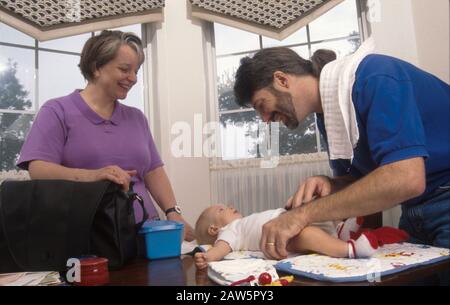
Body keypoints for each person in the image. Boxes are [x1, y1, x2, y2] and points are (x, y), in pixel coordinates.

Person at [233, 40, 450, 260]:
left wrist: (302, 215)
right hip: (415, 212)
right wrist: (333, 184)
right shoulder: (327, 118)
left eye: (262, 106)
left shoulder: (376, 77)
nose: (265, 119)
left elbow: (406, 179)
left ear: (281, 79)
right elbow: (367, 185)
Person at [17, 30, 195, 241]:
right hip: (85, 238)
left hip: (144, 235)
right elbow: (38, 169)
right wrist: (93, 176)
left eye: (136, 71)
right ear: (96, 67)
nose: (133, 78)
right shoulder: (57, 111)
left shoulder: (136, 118)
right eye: (124, 69)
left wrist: (172, 211)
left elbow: (153, 171)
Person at [193, 203, 400, 269]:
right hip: (282, 239)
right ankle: (349, 249)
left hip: (286, 220)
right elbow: (222, 247)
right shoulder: (230, 230)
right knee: (308, 235)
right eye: (221, 210)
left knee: (312, 214)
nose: (228, 206)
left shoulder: (241, 222)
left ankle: (340, 232)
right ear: (214, 229)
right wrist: (209, 256)